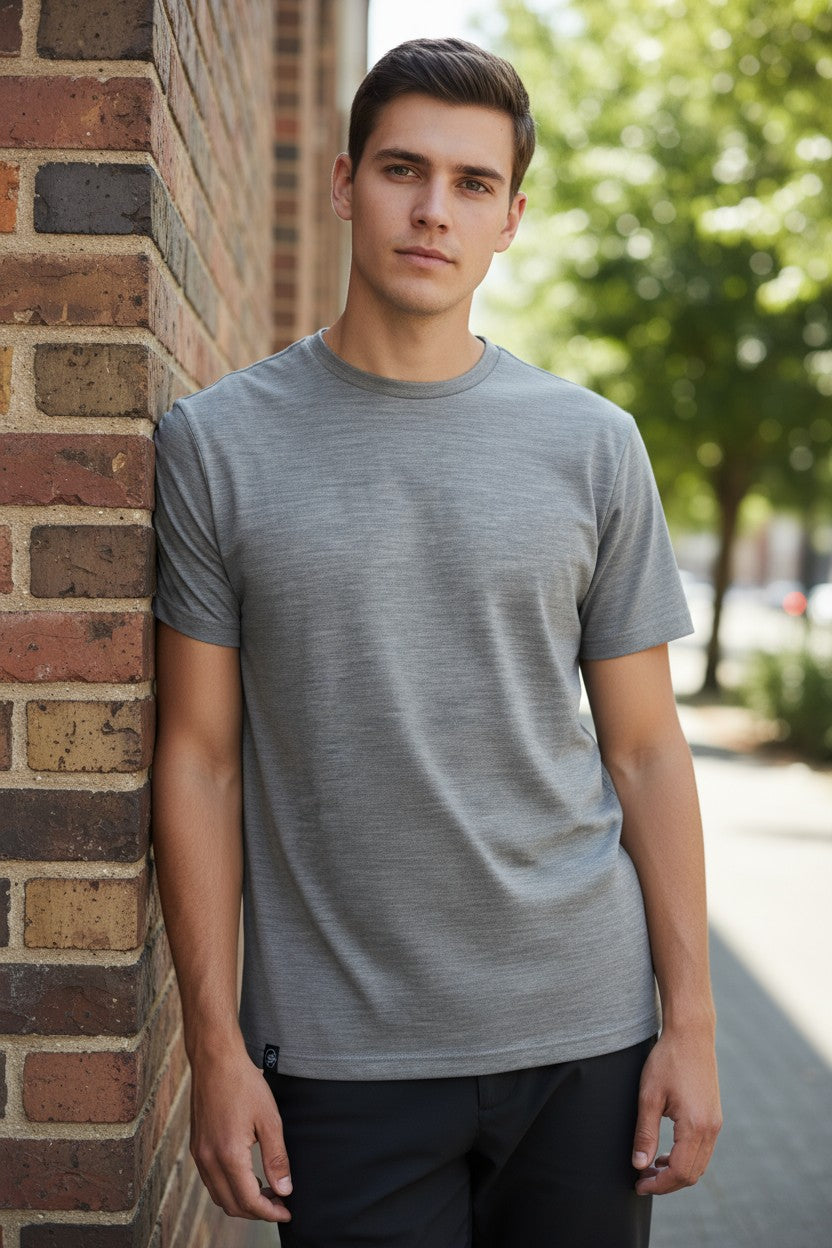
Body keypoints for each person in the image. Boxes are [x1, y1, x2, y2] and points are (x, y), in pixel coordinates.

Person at [152, 37, 721, 1248]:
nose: (431, 211)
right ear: (347, 178)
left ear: (512, 217)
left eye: (471, 185)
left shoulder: (592, 445)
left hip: (585, 1037)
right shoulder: (216, 446)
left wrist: (693, 1028)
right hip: (339, 1054)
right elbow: (197, 760)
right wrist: (213, 1048)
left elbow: (646, 754)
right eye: (404, 170)